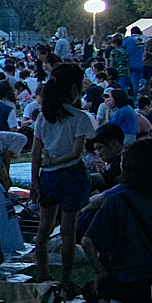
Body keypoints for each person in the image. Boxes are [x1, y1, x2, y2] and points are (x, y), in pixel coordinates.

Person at [79, 138, 152, 303]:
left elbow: (88, 242)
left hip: (127, 284)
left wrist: (100, 273)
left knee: (89, 290)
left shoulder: (116, 202)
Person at [29, 60, 95, 289]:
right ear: (75, 90)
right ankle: (66, 279)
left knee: (44, 228)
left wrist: (35, 180)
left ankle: (44, 272)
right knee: (68, 231)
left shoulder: (42, 117)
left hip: (47, 176)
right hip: (71, 175)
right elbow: (76, 152)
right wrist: (56, 161)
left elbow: (35, 154)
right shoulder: (80, 118)